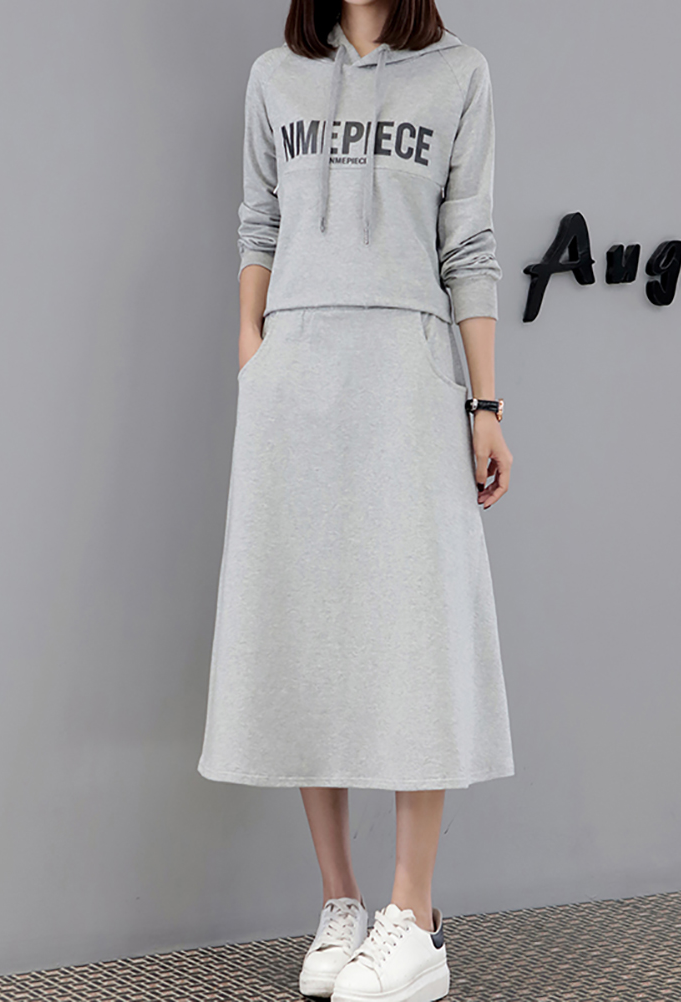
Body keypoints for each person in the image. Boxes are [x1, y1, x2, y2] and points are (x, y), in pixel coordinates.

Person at [197, 1, 515, 999]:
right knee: (309, 628)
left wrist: (485, 403)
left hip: (406, 371)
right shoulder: (275, 77)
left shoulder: (459, 74)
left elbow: (469, 242)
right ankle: (342, 901)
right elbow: (260, 218)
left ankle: (414, 914)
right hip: (296, 375)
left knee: (417, 633)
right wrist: (255, 349)